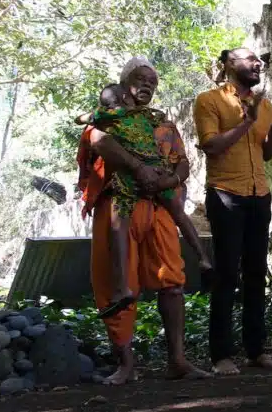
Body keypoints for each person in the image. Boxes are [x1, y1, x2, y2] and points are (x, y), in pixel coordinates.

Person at [80, 57, 210, 385]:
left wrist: (165, 182)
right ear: (125, 85)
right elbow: (98, 141)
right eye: (140, 79)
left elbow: (182, 165)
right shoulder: (109, 117)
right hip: (119, 205)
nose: (147, 85)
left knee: (173, 282)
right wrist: (138, 170)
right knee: (117, 284)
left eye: (152, 81)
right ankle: (125, 364)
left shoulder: (163, 125)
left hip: (160, 207)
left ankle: (177, 361)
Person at [193, 47, 272, 375]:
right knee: (226, 275)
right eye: (250, 59)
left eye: (259, 61)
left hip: (259, 193)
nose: (257, 63)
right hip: (225, 194)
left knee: (254, 274)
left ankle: (255, 351)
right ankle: (221, 356)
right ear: (228, 65)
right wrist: (245, 122)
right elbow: (211, 145)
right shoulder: (209, 101)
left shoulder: (265, 105)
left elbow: (266, 155)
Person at [77, 83, 213, 319]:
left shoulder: (109, 116)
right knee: (180, 215)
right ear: (128, 96)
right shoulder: (145, 116)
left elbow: (84, 119)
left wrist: (88, 115)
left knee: (119, 224)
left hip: (132, 179)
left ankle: (122, 287)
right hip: (159, 170)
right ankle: (203, 257)